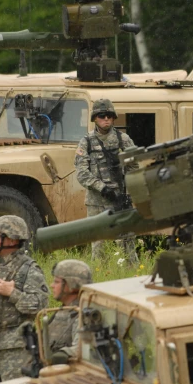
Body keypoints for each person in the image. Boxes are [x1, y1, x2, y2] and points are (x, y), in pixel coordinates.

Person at [0, 215, 49, 384]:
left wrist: (12, 293)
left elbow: (39, 305)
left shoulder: (28, 269)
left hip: (14, 351)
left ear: (12, 240)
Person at [74, 98, 138, 262]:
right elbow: (81, 172)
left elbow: (134, 168)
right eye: (102, 116)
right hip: (96, 202)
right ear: (95, 118)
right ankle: (99, 277)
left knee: (128, 243)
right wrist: (102, 188)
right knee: (99, 245)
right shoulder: (86, 141)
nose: (106, 119)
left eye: (109, 115)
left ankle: (133, 276)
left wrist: (128, 193)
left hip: (120, 199)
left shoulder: (123, 139)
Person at [46, 259, 93, 365]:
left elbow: (82, 347)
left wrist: (64, 354)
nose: (52, 285)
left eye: (57, 282)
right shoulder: (64, 310)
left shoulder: (82, 313)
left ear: (71, 285)